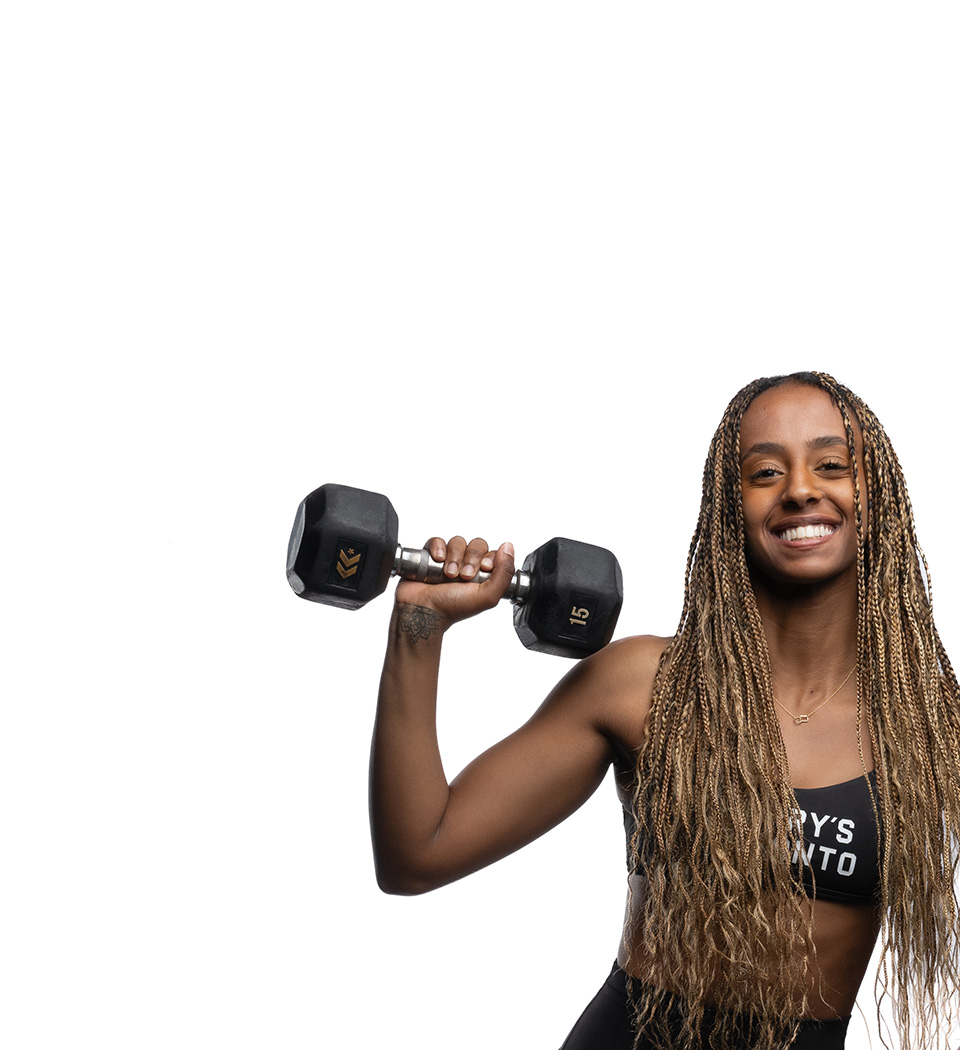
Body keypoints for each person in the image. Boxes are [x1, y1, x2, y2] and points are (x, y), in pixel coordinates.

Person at [368, 372, 960, 1049]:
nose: (800, 488)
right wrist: (419, 626)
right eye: (765, 471)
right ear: (727, 504)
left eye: (832, 465)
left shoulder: (934, 726)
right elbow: (417, 853)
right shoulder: (643, 684)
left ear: (878, 494)